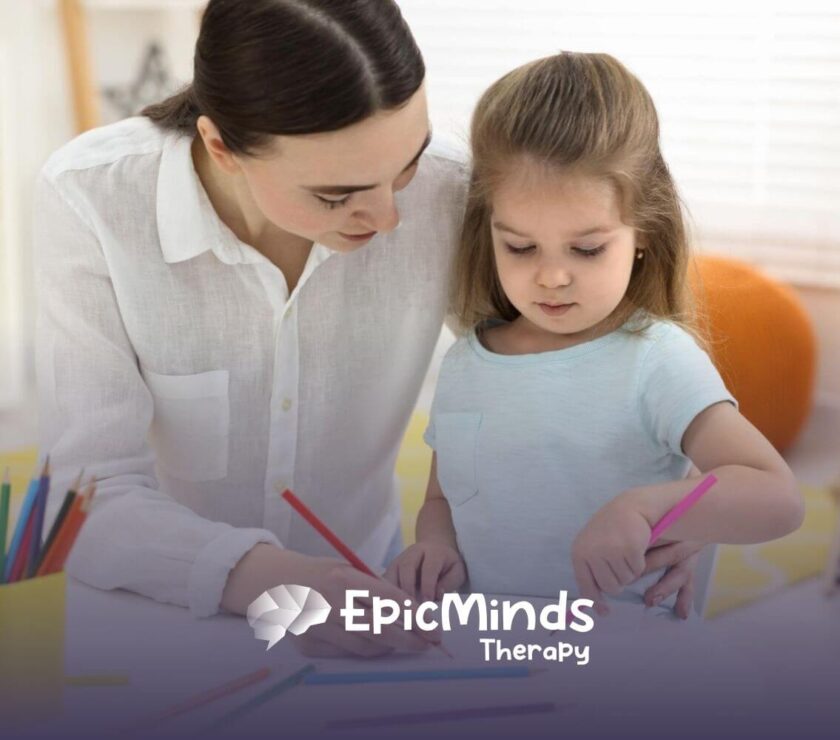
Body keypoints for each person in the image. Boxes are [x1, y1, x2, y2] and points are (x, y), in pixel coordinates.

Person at [35, 1, 700, 658]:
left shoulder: (446, 190)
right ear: (221, 147)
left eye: (405, 165)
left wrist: (681, 513)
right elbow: (86, 499)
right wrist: (277, 581)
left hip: (375, 593)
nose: (387, 218)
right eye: (337, 195)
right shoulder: (93, 197)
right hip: (160, 604)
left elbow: (588, 372)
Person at [385, 52, 804, 620]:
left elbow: (776, 497)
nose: (552, 276)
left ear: (642, 233)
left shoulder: (655, 360)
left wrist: (645, 509)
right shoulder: (465, 362)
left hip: (623, 663)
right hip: (490, 646)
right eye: (520, 246)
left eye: (586, 249)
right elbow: (443, 500)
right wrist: (436, 548)